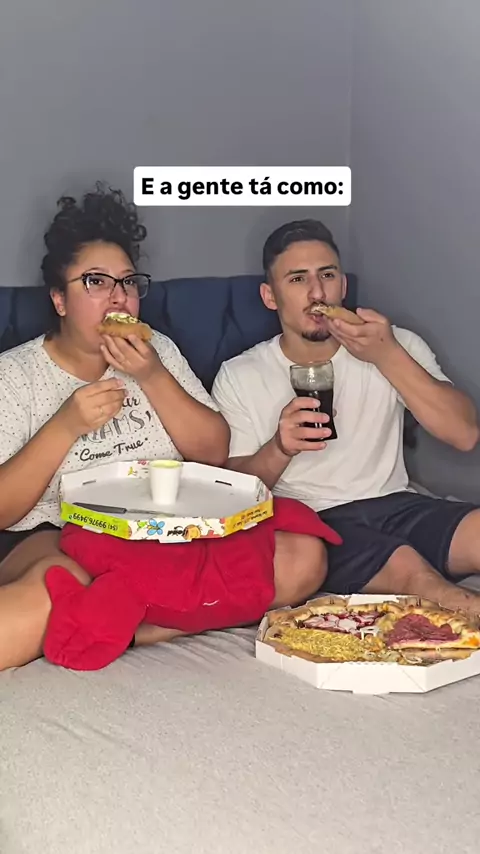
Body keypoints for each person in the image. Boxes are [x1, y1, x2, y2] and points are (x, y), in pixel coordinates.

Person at [0, 190, 327, 671]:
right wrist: (65, 426)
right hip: (58, 534)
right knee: (66, 588)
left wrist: (152, 375)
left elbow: (213, 453)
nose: (118, 297)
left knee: (303, 555)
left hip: (166, 532)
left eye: (128, 283)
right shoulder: (14, 376)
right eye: (96, 282)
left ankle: (136, 628)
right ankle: (150, 611)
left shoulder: (160, 354)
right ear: (59, 300)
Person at [211, 218, 480, 615]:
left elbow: (464, 434)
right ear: (270, 296)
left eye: (327, 275)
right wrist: (280, 447)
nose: (317, 292)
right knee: (416, 576)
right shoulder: (240, 374)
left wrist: (387, 356)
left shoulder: (393, 343)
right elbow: (234, 492)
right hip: (316, 520)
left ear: (343, 286)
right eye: (298, 279)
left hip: (398, 504)